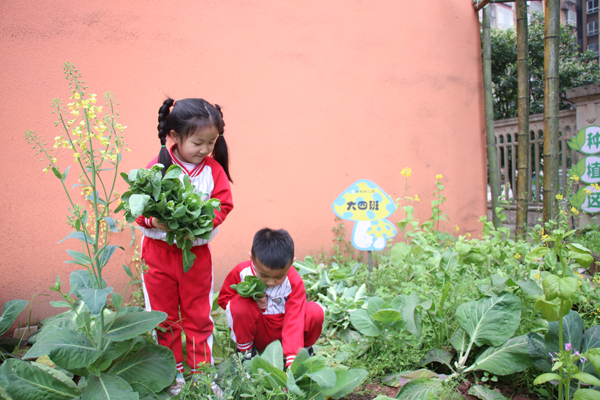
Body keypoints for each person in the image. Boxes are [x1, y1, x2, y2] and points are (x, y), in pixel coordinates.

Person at [137, 98, 233, 394]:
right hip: (157, 255)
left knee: (198, 314)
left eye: (211, 142)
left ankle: (203, 375)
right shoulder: (157, 168)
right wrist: (157, 222)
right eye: (198, 142)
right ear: (174, 137)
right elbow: (139, 209)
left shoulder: (213, 170)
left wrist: (204, 223)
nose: (205, 150)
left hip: (196, 255)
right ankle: (173, 374)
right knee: (163, 318)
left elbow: (224, 204)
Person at [218, 228, 324, 369]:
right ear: (252, 259)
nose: (271, 282)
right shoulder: (242, 272)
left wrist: (292, 357)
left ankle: (301, 352)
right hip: (257, 332)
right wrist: (250, 300)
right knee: (240, 304)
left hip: (285, 331)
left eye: (279, 277)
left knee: (314, 311)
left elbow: (294, 318)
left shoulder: (294, 281)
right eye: (264, 276)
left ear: (292, 263)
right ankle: (246, 353)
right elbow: (224, 299)